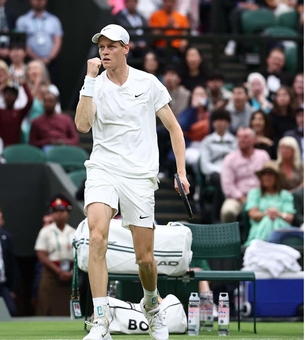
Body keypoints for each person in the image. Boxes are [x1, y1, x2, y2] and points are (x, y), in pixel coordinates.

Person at [75, 24, 189, 340]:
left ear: (126, 49)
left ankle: (152, 305)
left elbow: (175, 130)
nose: (105, 51)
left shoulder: (148, 83)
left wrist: (181, 171)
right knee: (97, 236)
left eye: (112, 46)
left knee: (145, 259)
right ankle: (101, 322)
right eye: (101, 47)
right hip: (102, 169)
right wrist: (88, 81)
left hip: (139, 176)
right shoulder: (93, 84)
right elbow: (83, 126)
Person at [34, 194, 76, 316]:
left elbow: (80, 255)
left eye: (62, 211)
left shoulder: (73, 232)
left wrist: (72, 272)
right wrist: (58, 271)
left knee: (66, 307)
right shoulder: (46, 231)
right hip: (51, 273)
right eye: (56, 211)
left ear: (68, 213)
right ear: (52, 213)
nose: (59, 214)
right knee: (46, 305)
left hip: (70, 273)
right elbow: (41, 254)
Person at [220, 127, 270, 223]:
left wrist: (257, 197)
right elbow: (228, 185)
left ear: (253, 140)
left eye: (246, 137)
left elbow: (270, 177)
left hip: (261, 196)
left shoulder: (263, 156)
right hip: (237, 198)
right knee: (227, 211)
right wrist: (242, 198)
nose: (242, 139)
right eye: (239, 137)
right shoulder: (229, 158)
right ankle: (229, 237)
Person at [244, 161, 295, 246]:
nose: (267, 177)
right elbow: (253, 214)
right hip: (259, 229)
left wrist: (278, 213)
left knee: (272, 221)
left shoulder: (285, 195)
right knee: (268, 220)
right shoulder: (254, 193)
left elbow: (290, 217)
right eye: (264, 174)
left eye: (270, 174)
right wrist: (266, 213)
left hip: (281, 228)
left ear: (276, 178)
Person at [199, 109, 237, 223]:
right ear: (213, 123)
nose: (220, 123)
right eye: (217, 120)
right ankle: (217, 217)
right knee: (219, 179)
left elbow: (236, 161)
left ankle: (220, 216)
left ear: (228, 123)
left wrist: (227, 172)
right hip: (213, 175)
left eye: (223, 120)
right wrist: (222, 171)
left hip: (231, 174)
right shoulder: (207, 141)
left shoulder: (234, 141)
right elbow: (205, 165)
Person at [15, 0, 63, 79]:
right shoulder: (22, 20)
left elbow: (58, 41)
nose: (39, 1)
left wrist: (49, 58)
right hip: (30, 62)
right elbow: (22, 42)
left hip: (50, 63)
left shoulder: (54, 20)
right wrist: (36, 58)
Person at [0, 202, 21, 316]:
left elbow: (12, 264)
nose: (0, 214)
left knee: (12, 311)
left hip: (1, 283)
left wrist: (13, 289)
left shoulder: (5, 236)